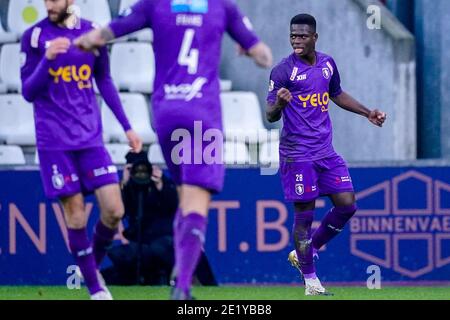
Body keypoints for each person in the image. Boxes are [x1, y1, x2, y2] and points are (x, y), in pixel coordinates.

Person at [74, 0, 273, 299]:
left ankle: (179, 276)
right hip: (202, 116)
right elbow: (264, 57)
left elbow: (107, 33)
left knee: (183, 194)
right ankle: (181, 288)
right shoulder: (221, 7)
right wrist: (249, 50)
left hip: (167, 115)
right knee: (195, 203)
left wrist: (85, 39)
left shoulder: (156, 5)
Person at [20, 0, 142, 300]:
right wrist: (47, 60)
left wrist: (127, 126)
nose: (49, 4)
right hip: (54, 143)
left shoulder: (91, 34)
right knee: (75, 217)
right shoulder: (35, 37)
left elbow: (105, 80)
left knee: (115, 211)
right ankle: (96, 290)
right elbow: (27, 91)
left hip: (91, 139)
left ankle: (89, 268)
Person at [266, 14, 387, 296]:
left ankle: (307, 252)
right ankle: (311, 281)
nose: (296, 40)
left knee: (347, 205)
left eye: (302, 36)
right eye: (293, 35)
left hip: (326, 151)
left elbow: (337, 93)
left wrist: (368, 112)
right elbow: (269, 114)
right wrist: (280, 105)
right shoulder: (283, 71)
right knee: (304, 215)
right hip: (298, 154)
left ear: (315, 38)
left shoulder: (327, 63)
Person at [102, 151, 218, 287]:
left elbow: (176, 204)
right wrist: (124, 184)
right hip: (142, 242)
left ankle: (207, 286)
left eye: (143, 169)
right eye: (134, 169)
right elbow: (118, 212)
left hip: (165, 238)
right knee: (125, 255)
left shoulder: (162, 183)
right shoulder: (127, 189)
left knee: (173, 247)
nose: (140, 173)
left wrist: (161, 184)